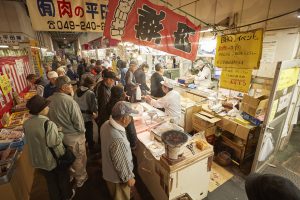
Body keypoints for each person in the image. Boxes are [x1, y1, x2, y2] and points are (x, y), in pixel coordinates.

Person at [23, 95, 74, 200]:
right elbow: (53, 142)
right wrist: (60, 132)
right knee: (63, 179)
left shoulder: (26, 123)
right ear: (40, 110)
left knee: (50, 182)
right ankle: (67, 196)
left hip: (39, 160)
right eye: (46, 106)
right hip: (53, 159)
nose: (48, 108)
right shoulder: (48, 123)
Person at [48, 76, 88, 188]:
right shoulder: (69, 101)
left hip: (58, 137)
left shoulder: (49, 100)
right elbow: (79, 123)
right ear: (64, 87)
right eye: (70, 85)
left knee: (66, 159)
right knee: (78, 159)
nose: (72, 87)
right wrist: (82, 133)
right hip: (74, 136)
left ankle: (71, 175)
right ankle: (81, 178)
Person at [100, 101, 137, 200]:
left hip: (107, 171)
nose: (130, 119)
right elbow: (121, 163)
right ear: (124, 119)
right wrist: (129, 178)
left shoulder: (105, 124)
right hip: (117, 179)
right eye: (130, 116)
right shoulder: (118, 141)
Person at [74, 77, 97, 153]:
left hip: (78, 115)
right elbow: (93, 106)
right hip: (87, 116)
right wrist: (95, 113)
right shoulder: (90, 93)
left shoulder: (76, 90)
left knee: (82, 131)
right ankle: (91, 148)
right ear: (91, 85)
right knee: (89, 132)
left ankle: (83, 146)